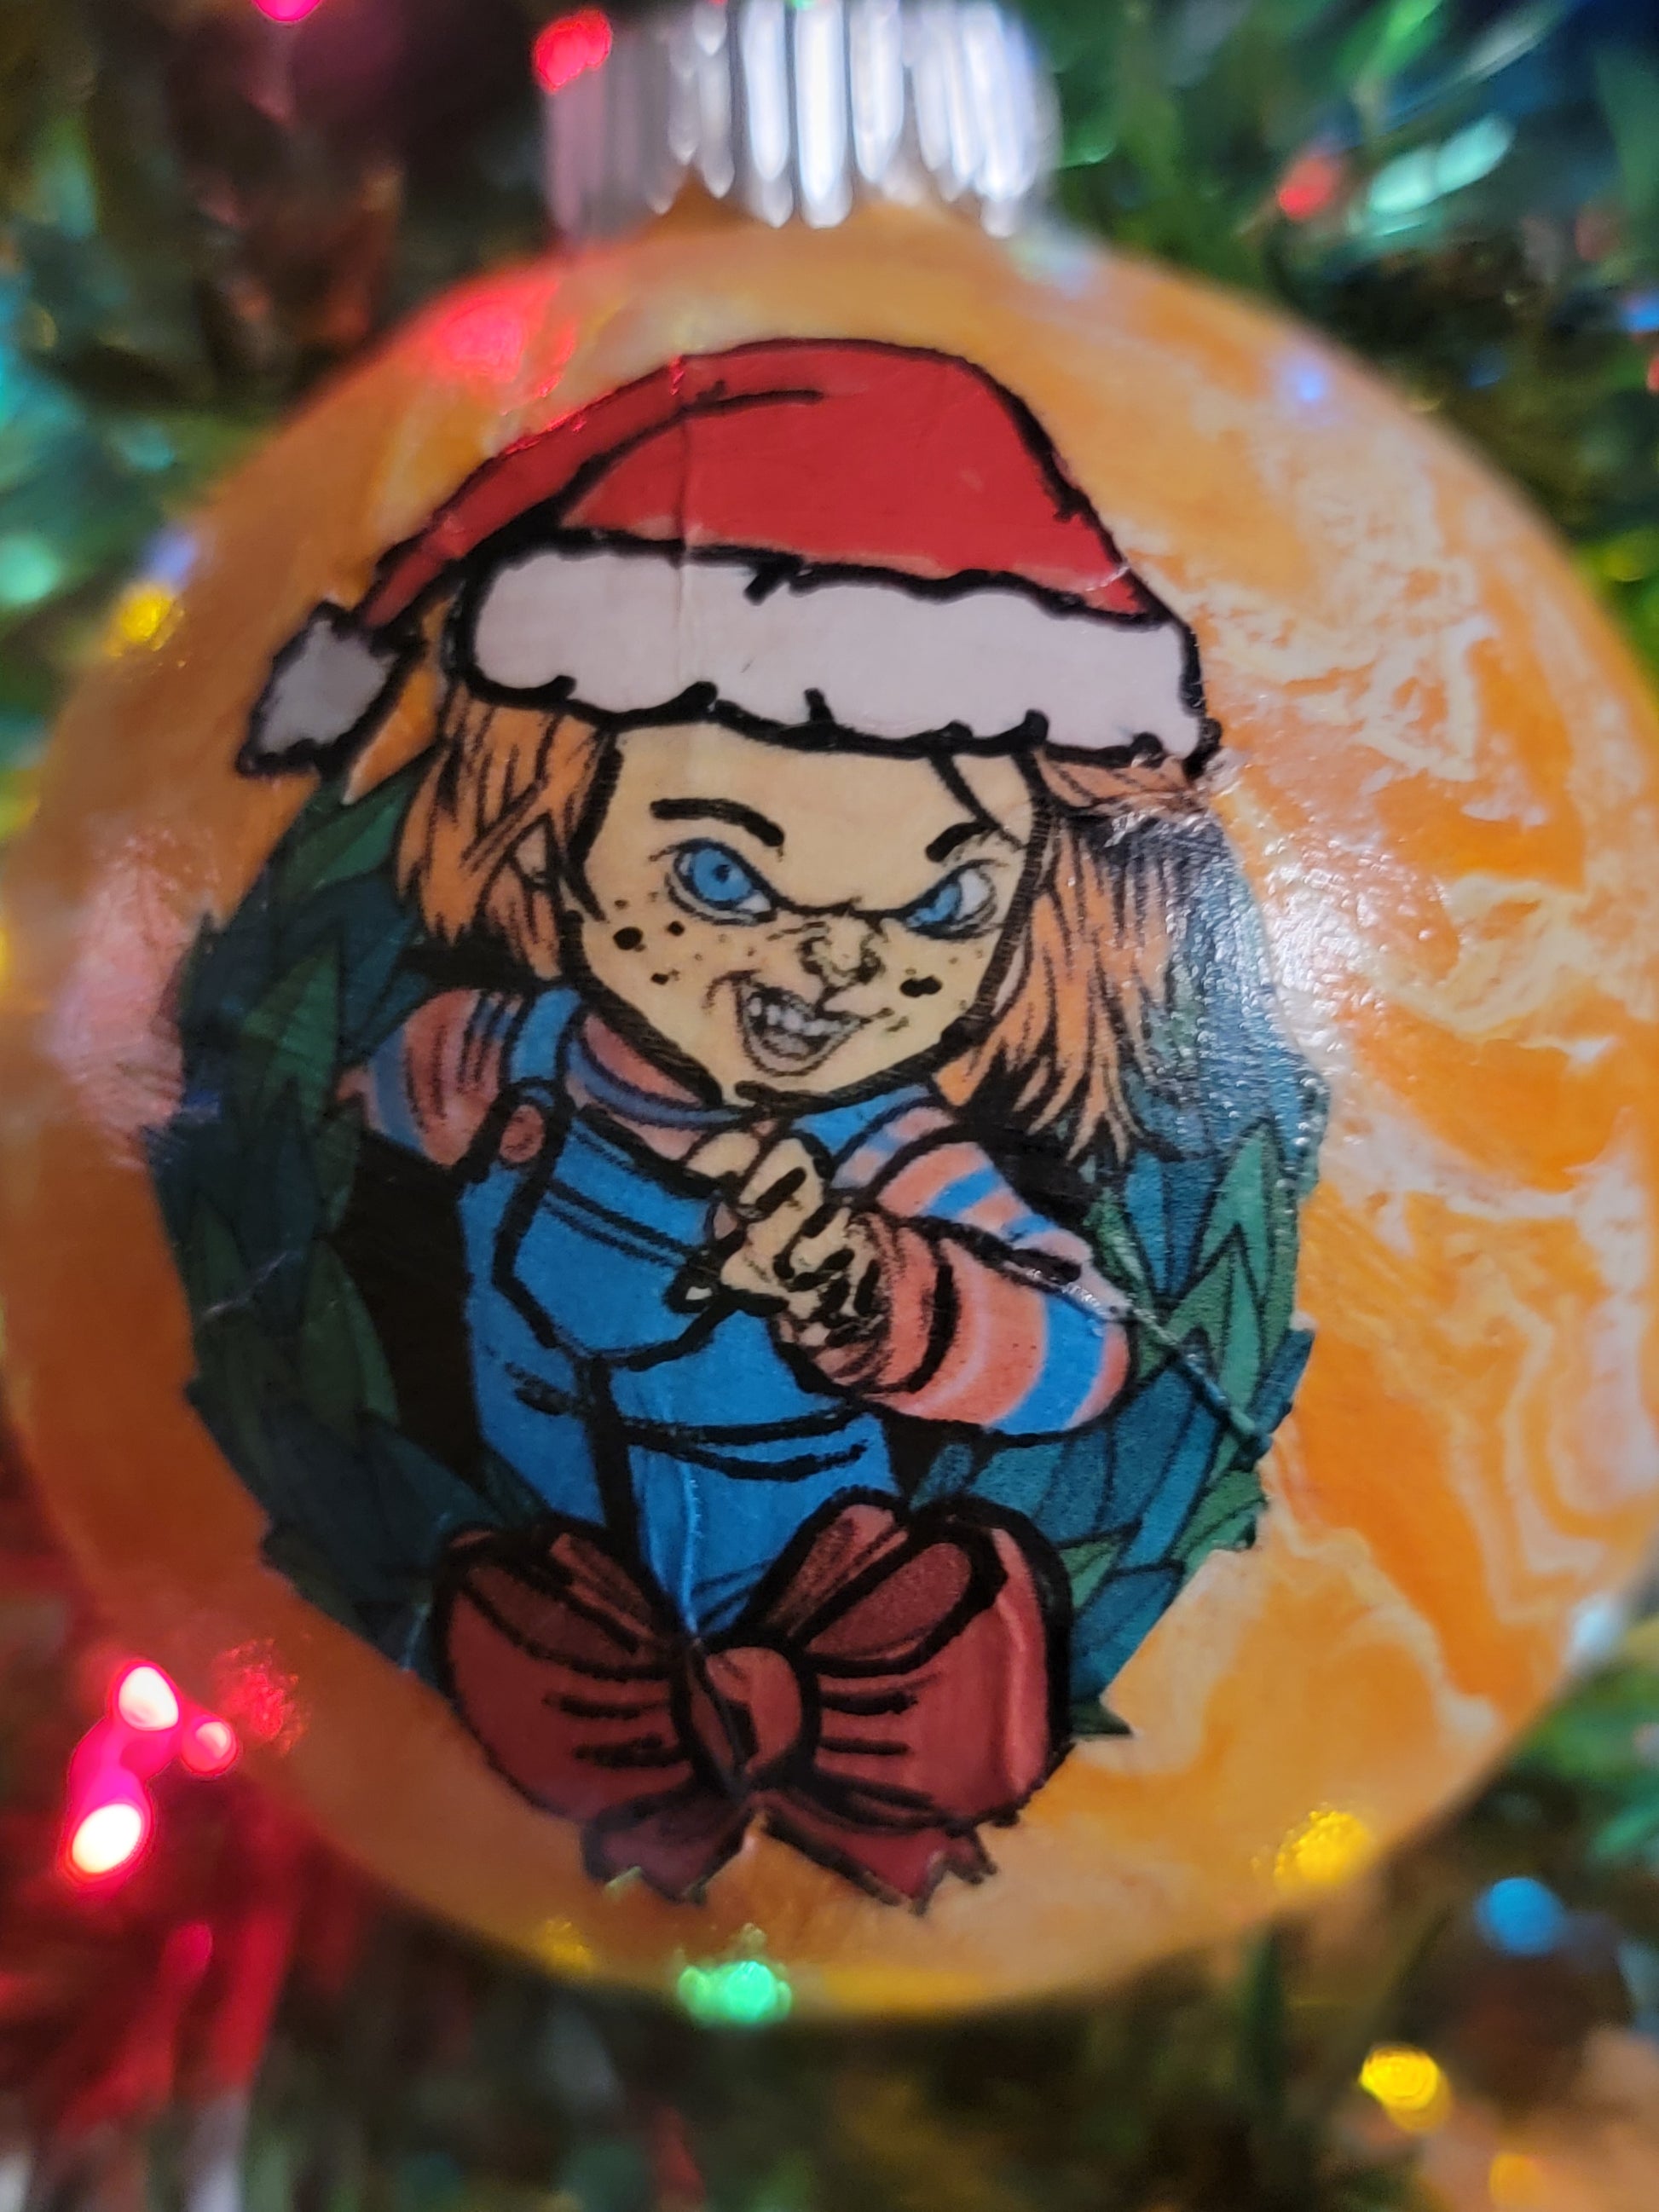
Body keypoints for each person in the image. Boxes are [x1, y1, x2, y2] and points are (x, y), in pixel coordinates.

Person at [247, 338, 1228, 1903]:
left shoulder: (890, 1154)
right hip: (544, 1616)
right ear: (553, 841)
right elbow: (304, 1125)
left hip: (832, 1624)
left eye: (940, 904)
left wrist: (878, 1296)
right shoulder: (501, 1060)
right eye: (721, 876)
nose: (834, 962)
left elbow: (1080, 1347)